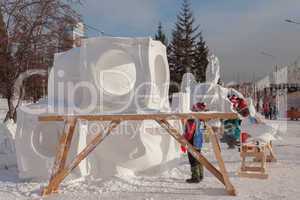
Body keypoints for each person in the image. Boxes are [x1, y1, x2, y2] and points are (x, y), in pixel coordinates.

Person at [184, 103, 205, 183]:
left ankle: (195, 177)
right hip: (198, 142)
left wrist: (184, 140)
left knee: (193, 159)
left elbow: (189, 132)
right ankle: (200, 175)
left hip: (192, 142)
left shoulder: (191, 119)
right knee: (198, 158)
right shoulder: (201, 120)